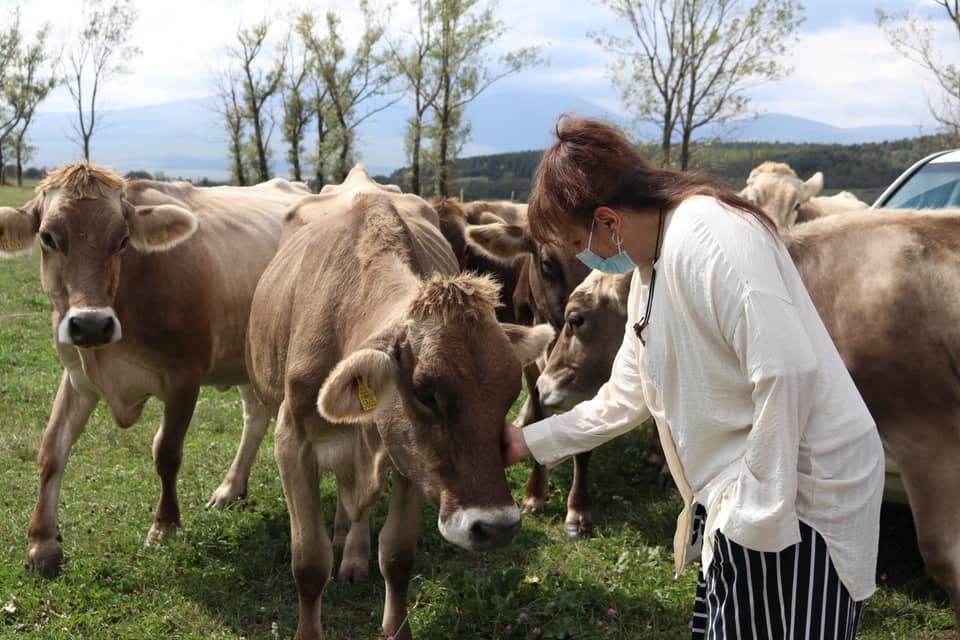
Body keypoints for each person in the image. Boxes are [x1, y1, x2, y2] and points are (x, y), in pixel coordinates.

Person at [502, 117, 884, 639]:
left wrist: (756, 520)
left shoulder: (713, 236)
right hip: (743, 495)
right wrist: (526, 441)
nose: (583, 259)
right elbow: (626, 395)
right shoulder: (649, 270)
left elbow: (785, 370)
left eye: (576, 242)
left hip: (798, 498)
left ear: (608, 221)